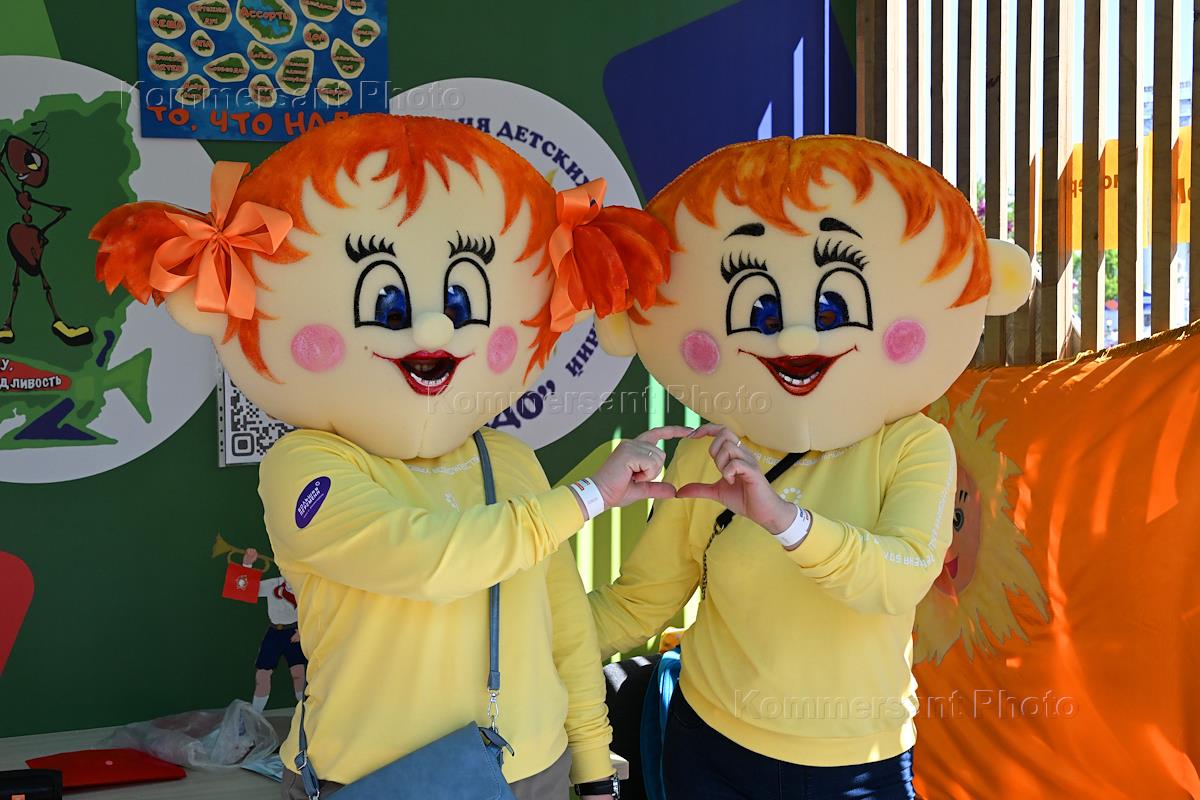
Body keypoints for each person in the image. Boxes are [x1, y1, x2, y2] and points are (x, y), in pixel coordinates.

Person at [91, 114, 689, 800]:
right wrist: (588, 498)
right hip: (372, 779)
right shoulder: (304, 465)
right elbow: (427, 559)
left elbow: (566, 630)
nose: (433, 326)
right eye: (389, 301)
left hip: (533, 770)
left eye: (460, 299)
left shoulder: (510, 460)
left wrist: (592, 764)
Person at [588, 135, 1032, 799]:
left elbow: (899, 578)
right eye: (761, 309)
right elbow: (639, 602)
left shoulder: (913, 445)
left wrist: (784, 521)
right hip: (711, 747)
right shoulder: (710, 449)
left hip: (860, 764)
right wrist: (513, 641)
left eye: (833, 307)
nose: (794, 334)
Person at [239, 547, 306, 713]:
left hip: (295, 632)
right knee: (262, 675)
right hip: (274, 633)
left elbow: (315, 609)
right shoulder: (272, 584)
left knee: (298, 673)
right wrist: (247, 564)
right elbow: (244, 588)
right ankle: (256, 715)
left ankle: (305, 714)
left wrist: (302, 631)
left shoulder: (305, 585)